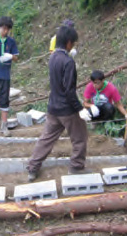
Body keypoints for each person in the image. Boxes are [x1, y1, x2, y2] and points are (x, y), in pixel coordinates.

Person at [27, 24, 91, 182]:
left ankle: (33, 168)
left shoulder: (53, 57)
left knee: (46, 139)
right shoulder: (68, 62)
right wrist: (80, 109)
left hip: (53, 107)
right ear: (69, 42)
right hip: (67, 110)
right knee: (80, 137)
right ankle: (76, 166)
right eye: (73, 43)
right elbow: (69, 90)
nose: (73, 47)